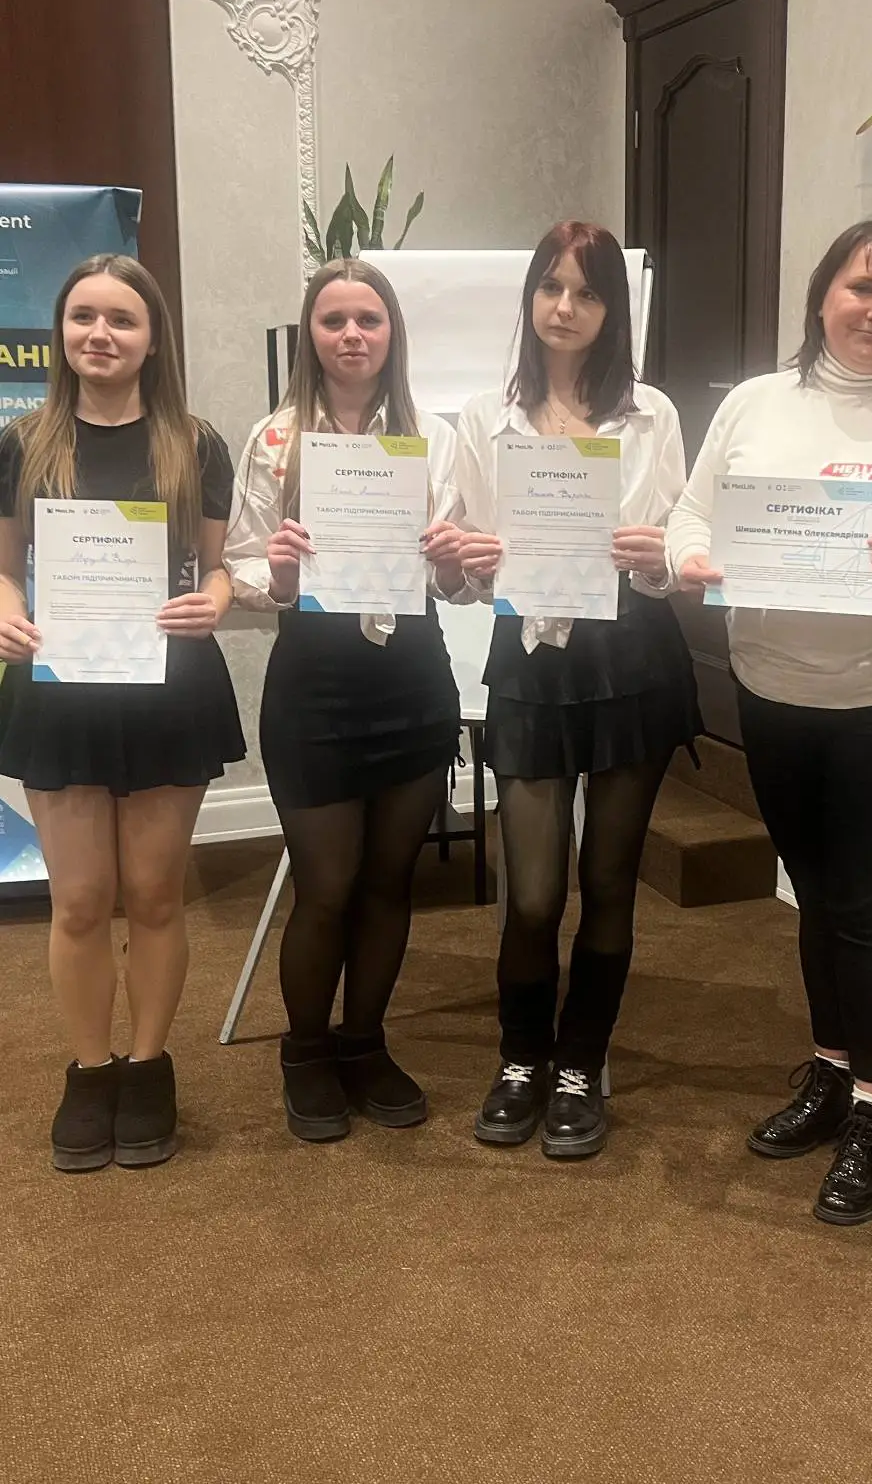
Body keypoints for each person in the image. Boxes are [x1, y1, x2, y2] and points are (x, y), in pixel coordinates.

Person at [668, 219, 872, 1224]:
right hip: (775, 695)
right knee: (814, 898)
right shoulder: (756, 404)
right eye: (861, 287)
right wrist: (688, 558)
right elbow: (691, 513)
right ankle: (831, 1071)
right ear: (821, 297)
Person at [455, 220, 700, 1158]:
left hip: (631, 659)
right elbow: (468, 573)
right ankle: (521, 1056)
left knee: (607, 883)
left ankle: (577, 1065)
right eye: (551, 287)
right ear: (530, 298)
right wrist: (471, 562)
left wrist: (655, 555)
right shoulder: (484, 417)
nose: (565, 307)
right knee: (532, 892)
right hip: (530, 661)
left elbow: (673, 560)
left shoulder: (653, 414)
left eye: (587, 292)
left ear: (612, 309)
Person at [0, 255, 244, 1172]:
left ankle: (147, 1066)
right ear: (60, 332)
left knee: (152, 896)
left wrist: (216, 601)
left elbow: (217, 568)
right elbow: (5, 570)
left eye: (122, 319)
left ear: (152, 339)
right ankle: (89, 1069)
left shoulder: (196, 443)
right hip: (60, 694)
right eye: (83, 317)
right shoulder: (24, 444)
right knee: (77, 902)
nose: (100, 334)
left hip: (168, 692)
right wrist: (4, 612)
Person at [224, 258, 464, 1143]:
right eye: (334, 320)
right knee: (326, 886)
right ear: (310, 335)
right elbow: (243, 569)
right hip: (315, 689)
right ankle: (305, 1050)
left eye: (370, 318)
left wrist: (452, 561)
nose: (353, 335)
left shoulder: (434, 436)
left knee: (390, 882)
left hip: (413, 683)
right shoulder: (274, 438)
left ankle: (364, 1043)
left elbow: (462, 581)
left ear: (393, 332)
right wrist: (280, 570)